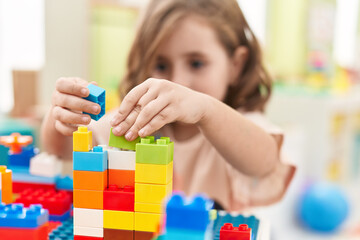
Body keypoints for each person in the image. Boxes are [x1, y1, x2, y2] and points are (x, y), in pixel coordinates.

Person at [41, 0, 295, 211]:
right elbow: (62, 151)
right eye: (161, 65)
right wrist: (61, 117)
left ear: (235, 65)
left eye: (196, 63)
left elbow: (264, 161)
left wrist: (205, 109)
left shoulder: (238, 126)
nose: (178, 81)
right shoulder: (135, 121)